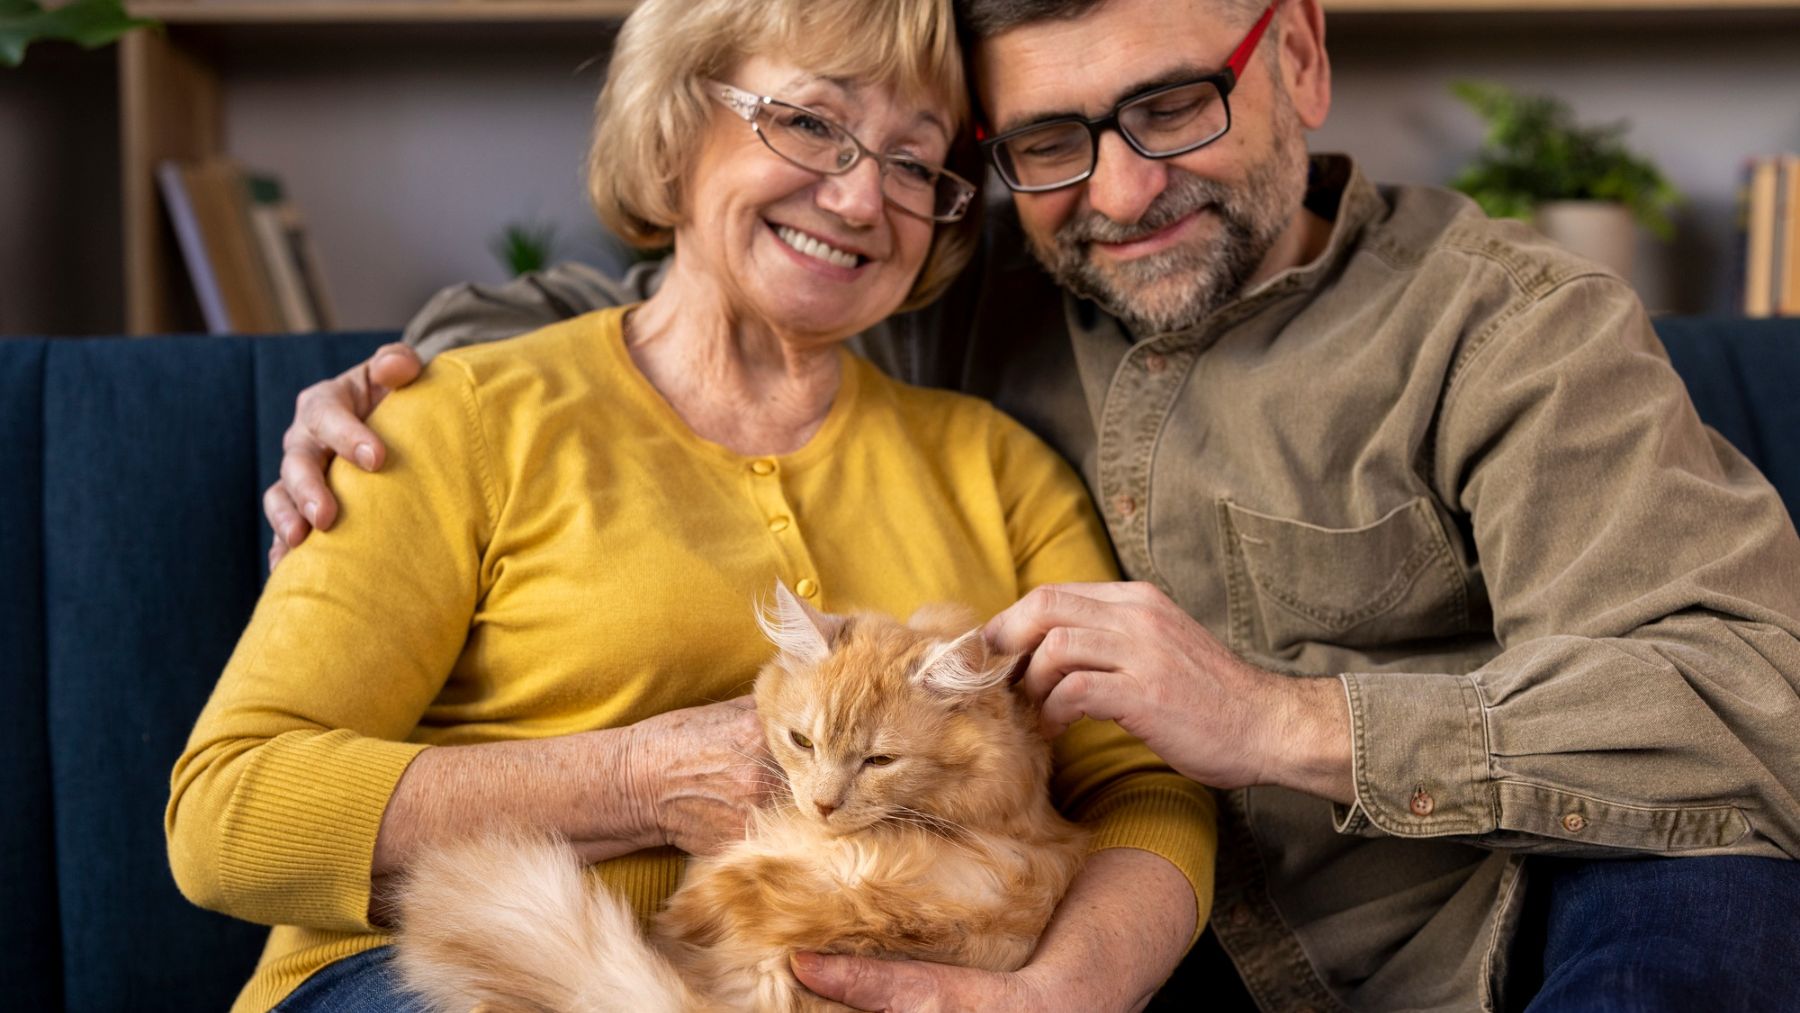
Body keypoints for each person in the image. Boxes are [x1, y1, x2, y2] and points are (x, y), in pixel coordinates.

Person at [266, 0, 1800, 1009]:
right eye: (1052, 144)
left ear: (1304, 59)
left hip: (1458, 958)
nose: (1122, 193)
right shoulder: (962, 287)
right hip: (1071, 940)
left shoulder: (1508, 330)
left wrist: (1280, 721)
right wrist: (409, 382)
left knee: (1721, 886)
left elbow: (1758, 697)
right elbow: (707, 272)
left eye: (1177, 106)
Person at [166, 1, 1219, 1011]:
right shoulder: (458, 417)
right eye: (812, 123)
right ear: (675, 130)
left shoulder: (1000, 468)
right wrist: (630, 777)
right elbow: (227, 811)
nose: (861, 201)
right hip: (451, 972)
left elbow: (1145, 792)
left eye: (913, 160)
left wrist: (1066, 987)